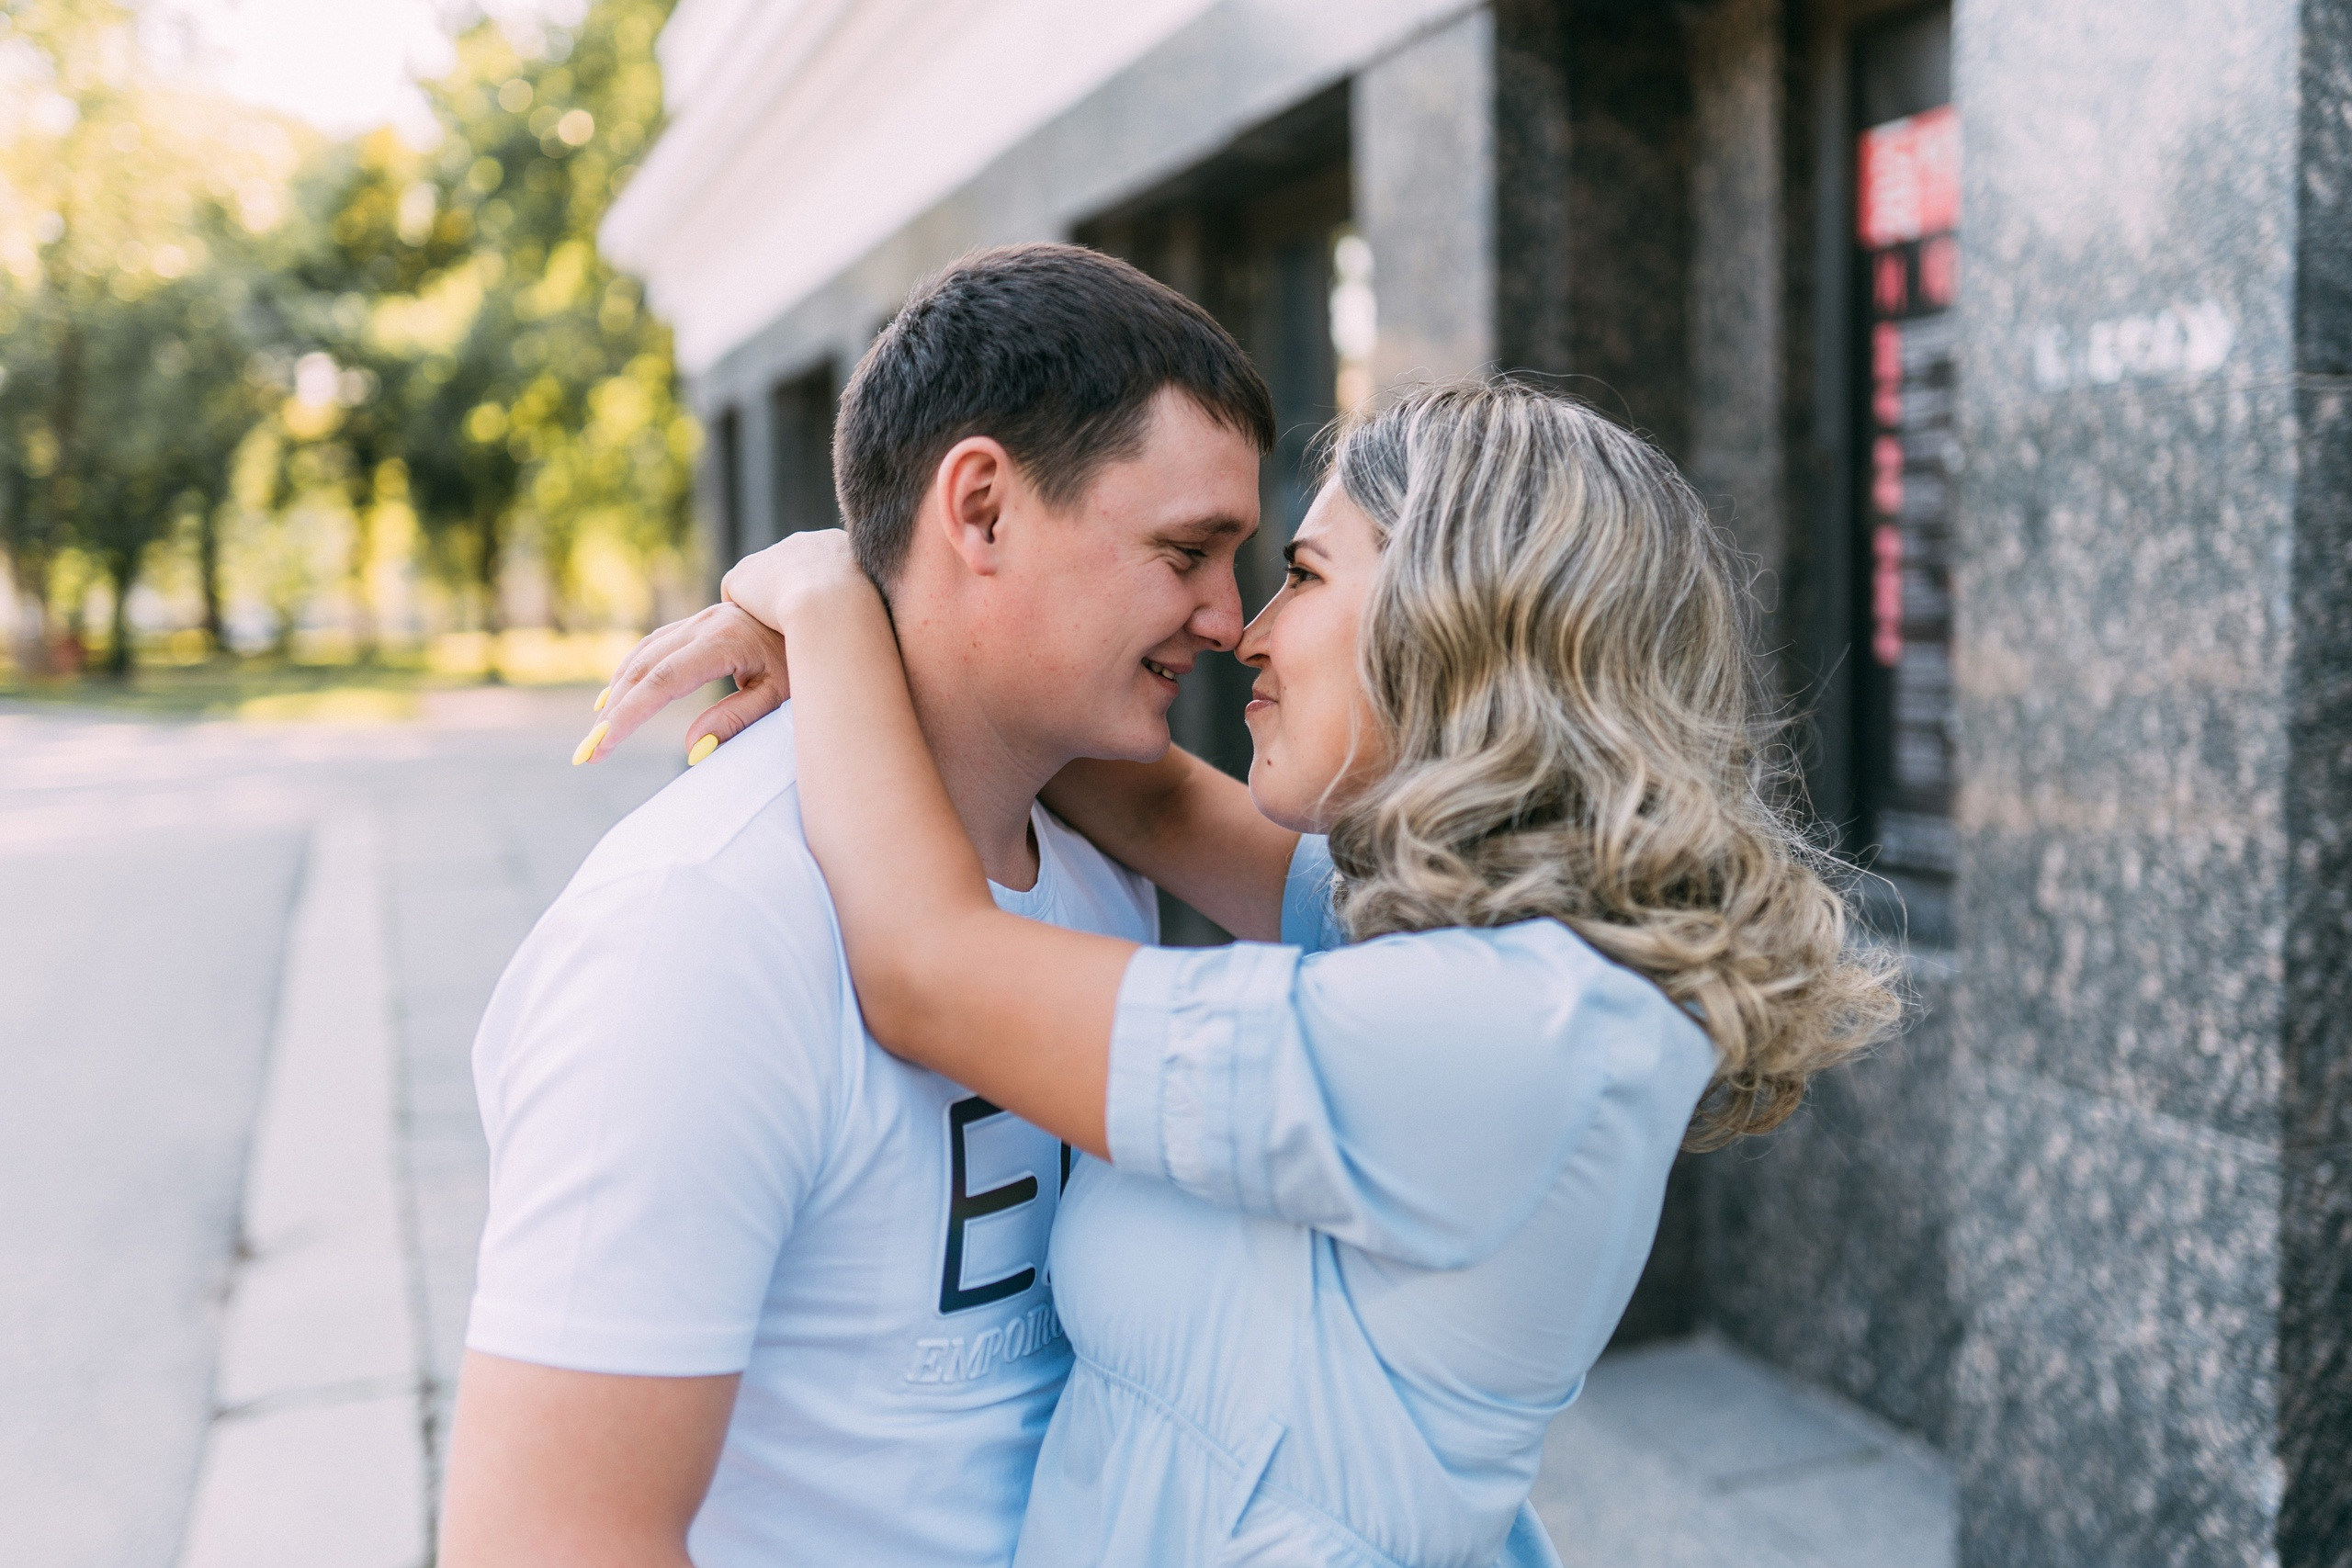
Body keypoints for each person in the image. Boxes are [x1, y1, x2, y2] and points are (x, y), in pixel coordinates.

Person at [601, 380, 1905, 1565]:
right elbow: (1152, 804)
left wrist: (827, 603)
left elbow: (928, 970)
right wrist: (925, 603)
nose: (1245, 630)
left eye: (1303, 574)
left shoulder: (1501, 1029)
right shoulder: (1475, 946)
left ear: (1459, 622)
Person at [435, 243, 1277, 1568]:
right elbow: (549, 1540)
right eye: (1187, 552)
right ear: (984, 511)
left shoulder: (1102, 844)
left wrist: (834, 606)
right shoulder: (696, 934)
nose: (1229, 618)